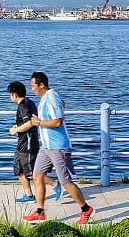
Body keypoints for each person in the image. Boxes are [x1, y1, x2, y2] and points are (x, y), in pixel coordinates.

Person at [22, 71, 95, 225]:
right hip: (46, 147)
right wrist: (40, 120)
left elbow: (58, 122)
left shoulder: (51, 97)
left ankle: (86, 209)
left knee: (66, 182)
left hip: (58, 147)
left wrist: (39, 123)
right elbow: (61, 106)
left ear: (42, 85)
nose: (32, 89)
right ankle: (40, 212)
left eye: (33, 86)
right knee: (37, 176)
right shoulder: (46, 98)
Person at [7, 81, 62, 203]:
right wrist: (16, 127)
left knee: (33, 172)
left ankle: (55, 184)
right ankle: (29, 195)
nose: (10, 97)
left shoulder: (23, 106)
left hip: (28, 145)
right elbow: (26, 121)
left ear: (14, 94)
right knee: (19, 170)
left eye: (10, 94)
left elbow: (30, 123)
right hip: (22, 144)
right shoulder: (29, 102)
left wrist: (15, 130)